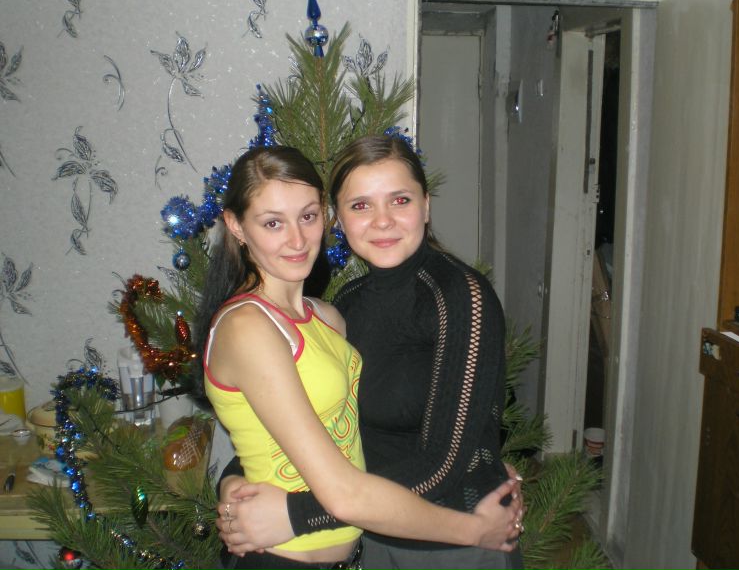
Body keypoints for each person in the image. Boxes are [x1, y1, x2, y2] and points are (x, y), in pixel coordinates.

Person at [193, 145, 522, 570]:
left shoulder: (458, 297)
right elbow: (301, 427)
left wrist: (297, 514)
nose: (382, 221)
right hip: (369, 539)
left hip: (452, 541)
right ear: (340, 218)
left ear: (426, 205)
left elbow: (443, 465)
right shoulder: (345, 305)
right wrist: (234, 481)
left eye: (400, 200)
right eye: (361, 205)